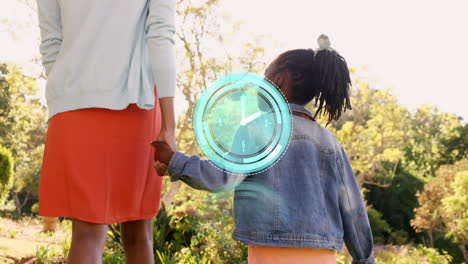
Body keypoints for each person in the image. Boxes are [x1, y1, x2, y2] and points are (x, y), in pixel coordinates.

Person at [152, 36, 375, 264]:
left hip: (270, 252)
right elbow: (352, 208)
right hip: (322, 255)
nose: (260, 84)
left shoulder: (256, 130)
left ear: (280, 78)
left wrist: (174, 161)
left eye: (265, 76)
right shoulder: (331, 143)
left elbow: (222, 176)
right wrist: (364, 259)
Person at [36, 0, 177, 263]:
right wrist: (169, 125)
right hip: (136, 102)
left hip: (72, 103)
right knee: (139, 235)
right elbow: (161, 35)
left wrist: (69, 92)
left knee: (86, 235)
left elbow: (51, 43)